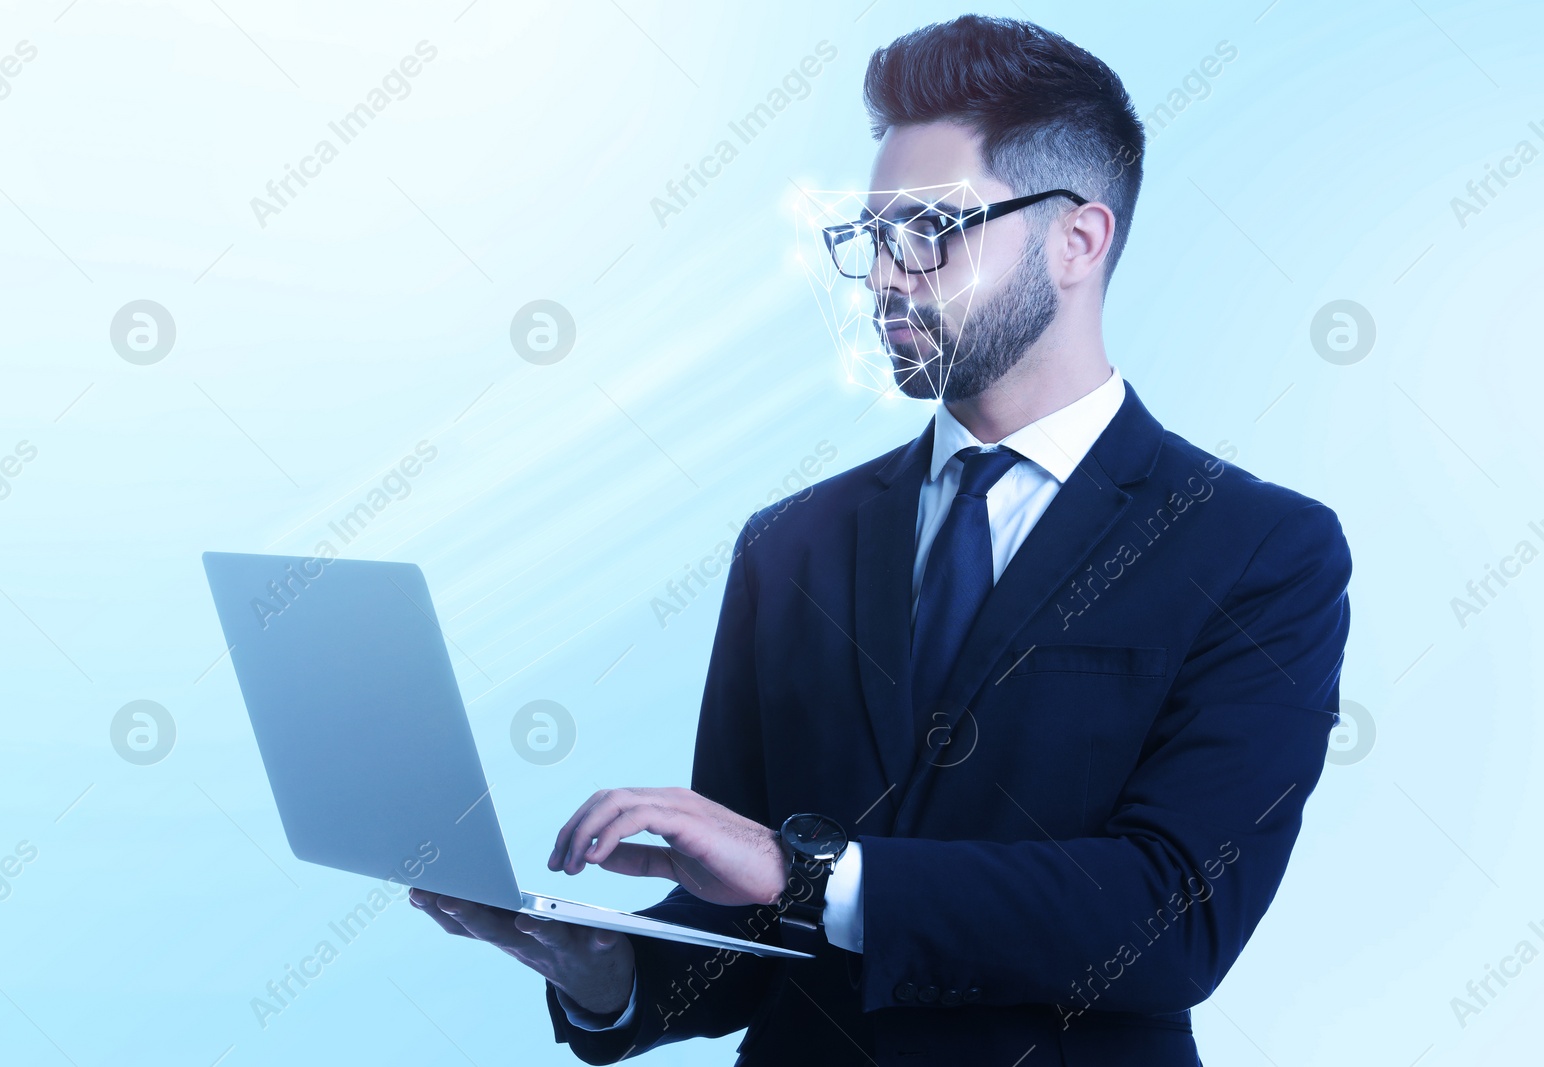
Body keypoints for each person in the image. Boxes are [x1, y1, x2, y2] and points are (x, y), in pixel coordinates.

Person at [409, 15, 1351, 1066]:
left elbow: (1173, 919)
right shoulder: (792, 542)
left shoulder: (1257, 549)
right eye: (871, 238)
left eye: (932, 231)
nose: (888, 280)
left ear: (1077, 240)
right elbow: (753, 920)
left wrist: (806, 870)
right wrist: (608, 971)